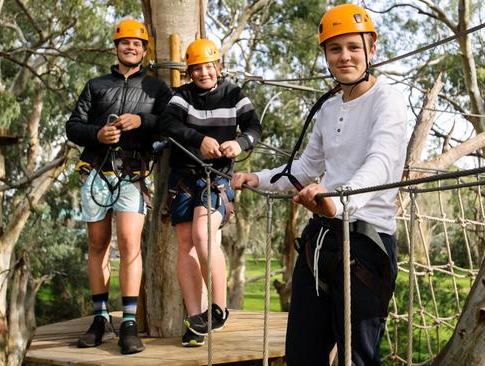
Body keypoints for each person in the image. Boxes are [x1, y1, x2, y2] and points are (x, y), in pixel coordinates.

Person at [231, 4, 407, 365]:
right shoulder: (328, 109)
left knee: (356, 357)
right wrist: (259, 178)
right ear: (325, 56)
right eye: (335, 49)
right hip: (321, 242)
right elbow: (308, 165)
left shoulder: (388, 101)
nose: (345, 57)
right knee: (302, 354)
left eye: (353, 47)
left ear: (372, 50)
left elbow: (383, 162)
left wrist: (338, 201)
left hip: (367, 244)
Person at [66, 18, 171, 355]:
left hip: (134, 173)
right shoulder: (96, 86)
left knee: (129, 244)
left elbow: (172, 126)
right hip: (96, 171)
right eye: (125, 42)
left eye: (137, 43)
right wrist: (97, 133)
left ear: (144, 50)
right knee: (97, 245)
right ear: (116, 47)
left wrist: (144, 121)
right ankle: (99, 319)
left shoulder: (156, 89)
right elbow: (73, 126)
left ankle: (127, 323)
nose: (131, 47)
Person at [158, 38, 262, 347]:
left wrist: (239, 144)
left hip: (215, 178)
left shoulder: (234, 94)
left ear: (217, 66)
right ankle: (196, 318)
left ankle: (218, 307)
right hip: (183, 178)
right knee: (185, 244)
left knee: (204, 234)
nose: (204, 73)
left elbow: (254, 128)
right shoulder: (182, 96)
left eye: (209, 67)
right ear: (190, 72)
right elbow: (167, 124)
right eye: (197, 69)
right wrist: (198, 139)